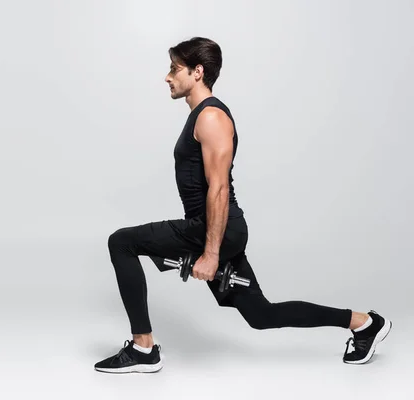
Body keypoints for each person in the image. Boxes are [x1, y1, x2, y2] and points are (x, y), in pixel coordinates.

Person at [93, 37, 392, 374]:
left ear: (197, 72)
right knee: (262, 315)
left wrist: (210, 253)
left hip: (212, 228)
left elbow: (218, 189)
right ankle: (364, 324)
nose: (167, 77)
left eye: (174, 69)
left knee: (122, 241)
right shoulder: (201, 116)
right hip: (215, 228)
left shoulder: (211, 118)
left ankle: (143, 348)